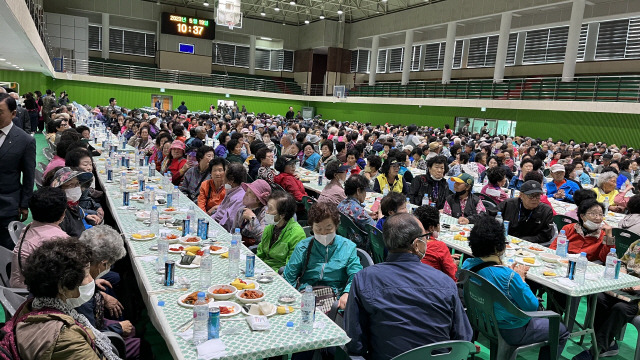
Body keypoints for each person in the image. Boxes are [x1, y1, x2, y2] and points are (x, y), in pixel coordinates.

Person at [345, 213, 472, 359]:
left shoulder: (363, 278)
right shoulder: (445, 283)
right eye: (426, 236)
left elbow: (355, 342)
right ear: (417, 245)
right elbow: (463, 338)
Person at [461, 215, 569, 360]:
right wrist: (521, 279)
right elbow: (532, 306)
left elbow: (491, 275)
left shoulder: (468, 264)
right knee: (561, 330)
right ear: (498, 246)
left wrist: (508, 272)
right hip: (511, 330)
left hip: (481, 321)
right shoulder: (509, 276)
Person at [17, 237, 121, 360]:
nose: (92, 280)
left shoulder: (34, 304)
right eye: (86, 275)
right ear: (63, 287)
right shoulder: (67, 339)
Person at [283, 202, 363, 309]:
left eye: (328, 228)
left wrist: (347, 292)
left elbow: (356, 275)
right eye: (318, 229)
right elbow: (289, 276)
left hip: (336, 297)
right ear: (312, 227)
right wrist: (291, 297)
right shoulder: (303, 247)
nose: (324, 233)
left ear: (336, 226)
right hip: (306, 293)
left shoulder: (347, 247)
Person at [10, 187, 69, 288]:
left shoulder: (29, 227)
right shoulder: (61, 240)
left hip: (17, 285)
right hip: (32, 292)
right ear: (63, 213)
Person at [0, 93, 36, 249]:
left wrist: (24, 203)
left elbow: (29, 175)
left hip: (6, 204)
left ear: (13, 113)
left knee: (4, 248)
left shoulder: (25, 140)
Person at [550, 199, 615, 263]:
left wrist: (609, 237)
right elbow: (553, 248)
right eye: (593, 214)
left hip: (586, 266)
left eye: (600, 214)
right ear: (582, 216)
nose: (598, 218)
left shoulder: (603, 235)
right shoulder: (568, 228)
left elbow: (604, 259)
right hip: (563, 261)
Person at [256, 191, 306, 271]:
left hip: (278, 273)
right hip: (263, 269)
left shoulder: (297, 234)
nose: (267, 212)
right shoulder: (270, 228)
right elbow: (260, 253)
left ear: (282, 215)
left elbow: (291, 267)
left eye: (270, 208)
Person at [413, 205, 459, 281]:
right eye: (438, 225)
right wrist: (454, 264)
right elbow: (453, 277)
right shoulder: (439, 246)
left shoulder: (408, 240)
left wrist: (446, 258)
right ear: (431, 228)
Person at [50, 167, 99, 237]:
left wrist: (85, 215)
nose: (75, 187)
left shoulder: (73, 205)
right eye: (70, 185)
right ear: (59, 189)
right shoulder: (60, 213)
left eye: (77, 184)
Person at [338, 175, 376, 246]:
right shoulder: (358, 210)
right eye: (365, 191)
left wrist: (367, 215)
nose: (365, 194)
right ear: (358, 191)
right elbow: (375, 230)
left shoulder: (341, 204)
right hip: (358, 246)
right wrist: (380, 215)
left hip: (343, 240)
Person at [211, 163, 247, 232]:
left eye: (224, 175)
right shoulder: (231, 190)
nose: (222, 178)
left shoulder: (240, 198)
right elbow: (219, 213)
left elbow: (228, 223)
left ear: (231, 180)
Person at [235, 180, 271, 246]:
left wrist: (252, 218)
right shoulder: (241, 210)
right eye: (246, 191)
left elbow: (262, 238)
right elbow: (233, 232)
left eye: (249, 193)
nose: (245, 194)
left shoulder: (265, 213)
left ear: (258, 199)